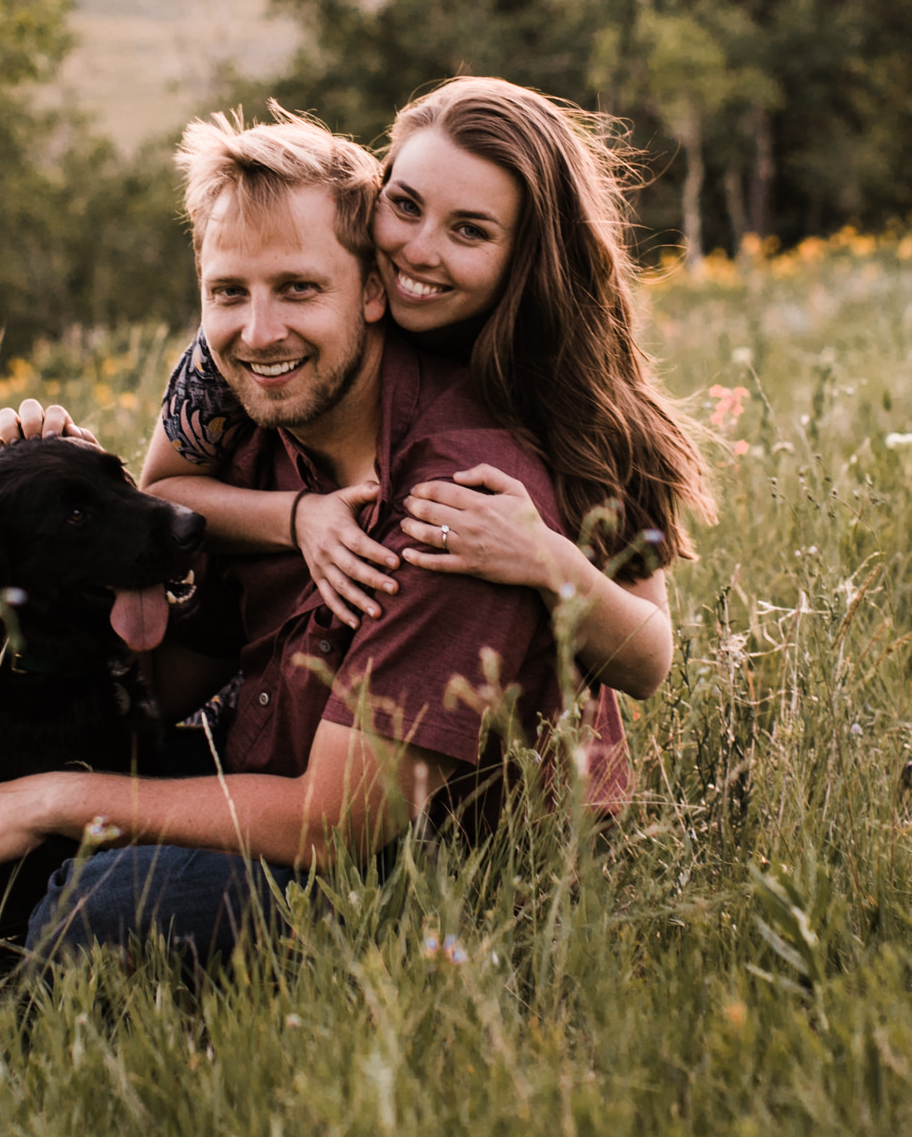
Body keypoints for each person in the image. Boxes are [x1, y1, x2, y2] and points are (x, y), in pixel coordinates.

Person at [0, 112, 582, 961]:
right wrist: (62, 516)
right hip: (255, 761)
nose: (258, 332)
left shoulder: (457, 503)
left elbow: (337, 824)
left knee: (96, 906)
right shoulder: (247, 419)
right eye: (228, 294)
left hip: (408, 857)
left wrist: (55, 799)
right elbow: (162, 681)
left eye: (298, 288)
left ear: (374, 290)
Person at [141, 79, 710, 702]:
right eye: (406, 206)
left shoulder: (566, 393)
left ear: (526, 257)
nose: (415, 252)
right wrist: (298, 518)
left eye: (469, 231)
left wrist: (544, 558)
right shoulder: (264, 340)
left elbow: (649, 664)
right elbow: (166, 489)